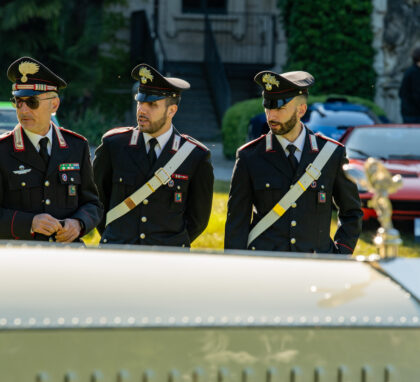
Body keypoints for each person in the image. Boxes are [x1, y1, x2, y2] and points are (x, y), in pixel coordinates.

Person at [224, 70, 363, 253]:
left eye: (279, 109)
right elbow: (236, 222)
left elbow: (351, 212)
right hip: (266, 266)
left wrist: (340, 254)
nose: (271, 116)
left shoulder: (330, 153)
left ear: (301, 110)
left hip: (315, 266)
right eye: (268, 107)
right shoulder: (250, 156)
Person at [93, 63, 214, 246]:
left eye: (152, 104)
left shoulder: (194, 156)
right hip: (119, 254)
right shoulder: (114, 145)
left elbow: (198, 219)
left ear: (171, 110)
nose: (142, 110)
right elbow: (97, 200)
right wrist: (116, 235)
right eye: (140, 102)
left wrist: (172, 243)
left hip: (166, 260)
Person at [0, 57, 102, 242]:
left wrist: (78, 223)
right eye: (18, 102)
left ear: (54, 104)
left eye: (32, 102)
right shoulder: (2, 150)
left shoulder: (77, 146)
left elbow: (92, 204)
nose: (23, 110)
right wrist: (29, 223)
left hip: (66, 254)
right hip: (20, 256)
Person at [399, 46, 420, 123]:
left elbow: (401, 92)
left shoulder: (411, 71)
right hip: (414, 114)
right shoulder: (415, 72)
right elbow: (417, 94)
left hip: (409, 112)